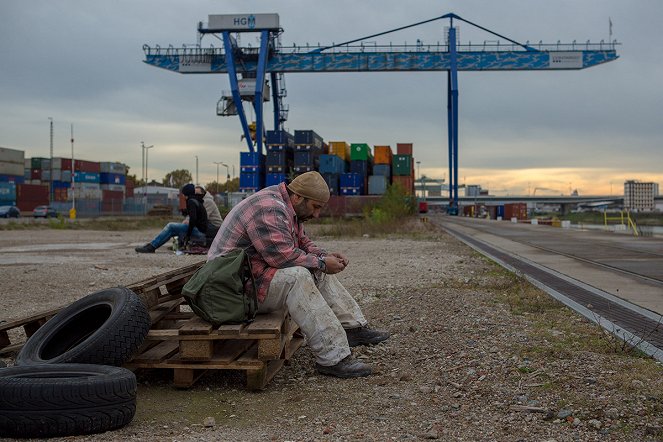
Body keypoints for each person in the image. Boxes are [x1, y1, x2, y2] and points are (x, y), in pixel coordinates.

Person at [207, 171, 389, 378]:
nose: (317, 214)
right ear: (298, 197)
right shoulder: (269, 208)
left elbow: (302, 243)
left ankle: (353, 328)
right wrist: (321, 263)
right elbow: (282, 258)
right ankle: (333, 358)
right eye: (316, 207)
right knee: (298, 277)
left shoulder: (288, 208)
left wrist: (325, 256)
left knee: (316, 269)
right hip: (232, 290)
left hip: (249, 278)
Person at [135, 184, 208, 253]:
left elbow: (193, 219)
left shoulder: (191, 202)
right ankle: (152, 246)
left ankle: (151, 247)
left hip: (199, 233)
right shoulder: (196, 201)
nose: (182, 195)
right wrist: (185, 212)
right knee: (172, 230)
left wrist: (188, 235)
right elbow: (196, 216)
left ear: (186, 194)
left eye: (183, 194)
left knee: (171, 226)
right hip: (201, 232)